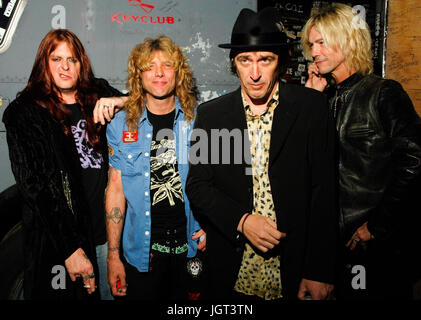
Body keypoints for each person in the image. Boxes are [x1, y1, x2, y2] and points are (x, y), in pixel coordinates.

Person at [185, 7, 337, 301]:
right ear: (234, 63)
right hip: (232, 270)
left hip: (293, 270)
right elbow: (198, 186)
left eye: (265, 60)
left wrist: (319, 271)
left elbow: (324, 193)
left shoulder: (311, 109)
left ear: (279, 62)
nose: (255, 73)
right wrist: (241, 220)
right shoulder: (213, 115)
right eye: (245, 61)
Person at [301, 3, 421, 299]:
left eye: (322, 42)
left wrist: (378, 226)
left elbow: (415, 162)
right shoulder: (322, 98)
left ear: (347, 40)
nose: (314, 52)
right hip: (333, 244)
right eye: (312, 44)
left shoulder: (383, 93)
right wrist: (310, 101)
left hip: (375, 246)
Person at [2, 29, 125, 300]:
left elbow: (146, 105)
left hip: (106, 237)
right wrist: (71, 249)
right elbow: (37, 189)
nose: (65, 67)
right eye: (56, 59)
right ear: (44, 63)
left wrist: (120, 101)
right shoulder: (24, 113)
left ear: (82, 63)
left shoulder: (98, 93)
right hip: (62, 244)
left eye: (72, 59)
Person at [104, 35, 206, 300]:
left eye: (167, 65)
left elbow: (218, 180)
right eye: (149, 66)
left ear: (178, 73)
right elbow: (115, 189)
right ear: (139, 75)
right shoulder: (120, 126)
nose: (159, 72)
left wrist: (212, 226)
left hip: (191, 251)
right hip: (142, 254)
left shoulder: (200, 121)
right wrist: (113, 255)